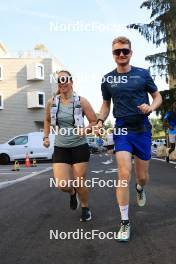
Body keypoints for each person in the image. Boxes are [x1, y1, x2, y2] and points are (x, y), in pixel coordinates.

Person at [97, 36, 162, 241]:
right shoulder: (108, 79)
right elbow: (106, 104)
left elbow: (157, 96)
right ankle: (125, 222)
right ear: (113, 55)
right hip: (122, 129)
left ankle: (140, 188)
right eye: (117, 52)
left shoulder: (142, 74)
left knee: (142, 176)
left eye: (125, 51)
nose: (122, 54)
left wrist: (151, 107)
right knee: (124, 173)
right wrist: (100, 120)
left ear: (131, 53)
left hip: (142, 129)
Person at [43, 70, 97, 221]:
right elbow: (47, 120)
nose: (62, 82)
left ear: (71, 82)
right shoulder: (52, 102)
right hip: (61, 147)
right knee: (62, 185)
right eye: (59, 80)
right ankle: (72, 192)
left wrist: (85, 129)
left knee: (80, 181)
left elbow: (94, 121)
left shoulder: (81, 101)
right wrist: (46, 137)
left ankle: (85, 207)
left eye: (65, 79)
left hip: (79, 145)